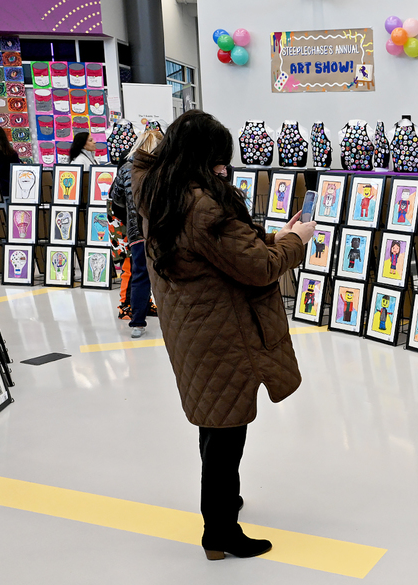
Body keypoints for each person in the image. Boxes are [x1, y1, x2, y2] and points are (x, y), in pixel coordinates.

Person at [132, 110, 316, 560]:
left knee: (214, 423)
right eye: (218, 160)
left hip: (194, 330)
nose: (224, 168)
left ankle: (222, 504)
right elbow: (257, 267)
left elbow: (227, 250)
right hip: (222, 334)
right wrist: (297, 241)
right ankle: (219, 531)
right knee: (226, 431)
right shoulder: (204, 205)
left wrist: (275, 234)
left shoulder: (157, 190)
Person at [110, 129, 163, 338]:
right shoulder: (160, 169)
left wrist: (131, 212)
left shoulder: (125, 169)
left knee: (140, 274)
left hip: (135, 231)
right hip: (159, 229)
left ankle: (137, 323)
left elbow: (115, 197)